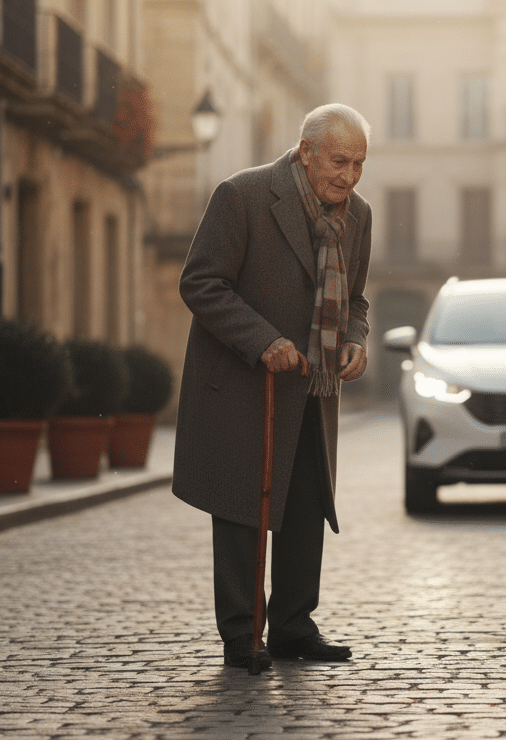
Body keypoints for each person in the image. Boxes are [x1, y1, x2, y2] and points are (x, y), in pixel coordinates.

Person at [173, 104, 372, 671]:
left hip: (315, 386)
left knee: (306, 506)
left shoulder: (358, 215)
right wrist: (262, 339)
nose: (349, 176)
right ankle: (242, 634)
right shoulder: (243, 196)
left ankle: (291, 627)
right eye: (339, 161)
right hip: (245, 387)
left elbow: (355, 299)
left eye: (359, 164)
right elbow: (201, 282)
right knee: (243, 507)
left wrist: (355, 340)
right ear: (306, 151)